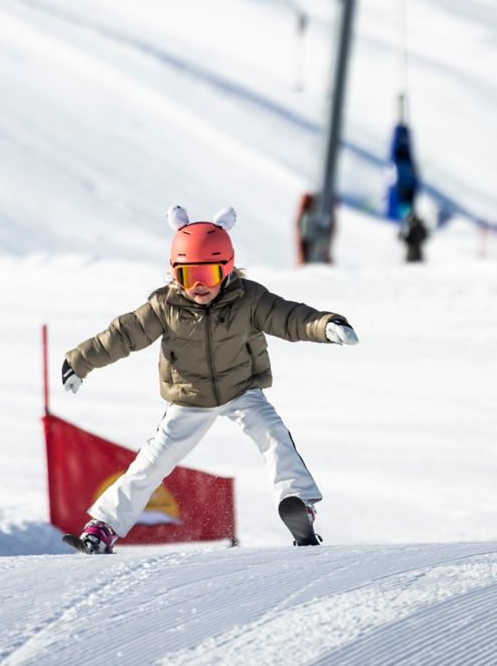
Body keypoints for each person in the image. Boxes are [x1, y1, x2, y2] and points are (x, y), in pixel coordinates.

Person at [60, 206, 358, 553]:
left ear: (227, 268)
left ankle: (297, 505)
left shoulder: (249, 299)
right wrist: (79, 361)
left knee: (274, 436)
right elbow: (123, 335)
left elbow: (290, 317)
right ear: (175, 274)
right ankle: (104, 527)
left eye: (208, 274)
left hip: (241, 390)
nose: (199, 286)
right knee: (152, 462)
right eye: (188, 276)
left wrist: (327, 325)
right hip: (189, 397)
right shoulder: (164, 306)